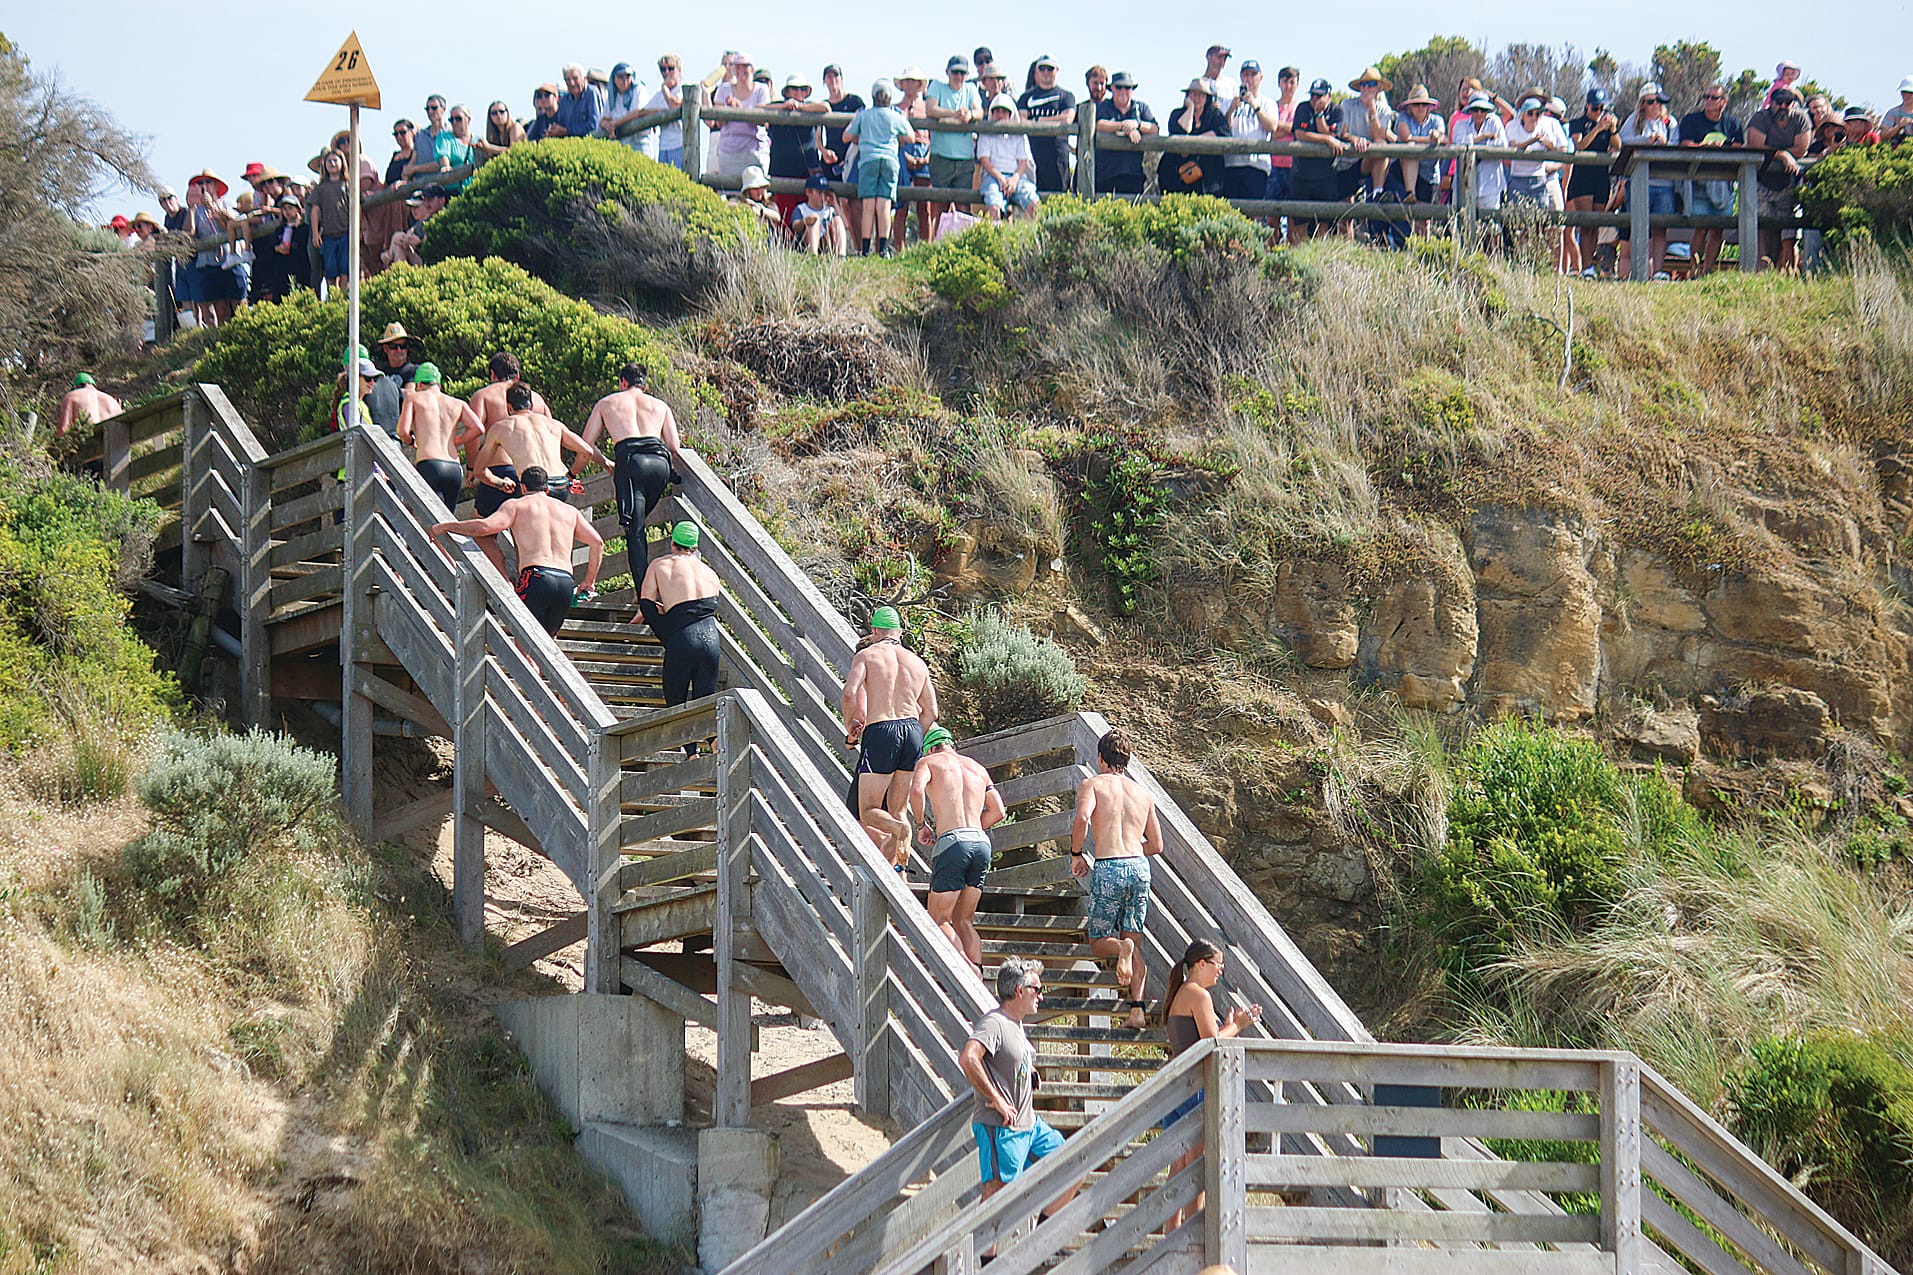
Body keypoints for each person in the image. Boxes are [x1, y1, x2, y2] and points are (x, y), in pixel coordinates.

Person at [959, 958, 1080, 1220]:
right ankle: (986, 1260)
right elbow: (968, 1058)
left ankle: (1040, 1238)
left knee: (1073, 1163)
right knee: (996, 1196)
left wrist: (1030, 1073)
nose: (1041, 996)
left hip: (1030, 1126)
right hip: (1002, 1126)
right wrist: (996, 1099)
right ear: (1019, 991)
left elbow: (1011, 1059)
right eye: (1037, 989)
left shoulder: (1016, 1024)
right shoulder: (995, 1023)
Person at [1161, 939, 1264, 1231]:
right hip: (1193, 1089)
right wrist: (1240, 1024)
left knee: (1180, 1164)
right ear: (1201, 964)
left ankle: (1172, 1229)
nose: (1220, 971)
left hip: (1180, 1088)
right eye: (1218, 965)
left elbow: (1202, 1039)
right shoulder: (1198, 995)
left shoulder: (1183, 992)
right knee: (1196, 1165)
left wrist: (1228, 1026)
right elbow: (1212, 1043)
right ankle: (1194, 1231)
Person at [431, 467, 602, 635]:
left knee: (524, 644)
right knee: (548, 645)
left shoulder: (517, 505)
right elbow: (597, 543)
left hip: (536, 577)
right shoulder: (570, 511)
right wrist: (589, 581)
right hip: (565, 581)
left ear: (523, 487)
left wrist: (447, 526)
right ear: (547, 488)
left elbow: (484, 528)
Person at [1071, 728, 1163, 1030]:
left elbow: (1083, 818)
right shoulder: (1143, 793)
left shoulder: (1093, 785)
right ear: (1127, 759)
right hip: (1138, 867)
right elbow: (1157, 845)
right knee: (1134, 937)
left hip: (1110, 866)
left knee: (1099, 942)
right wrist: (1133, 852)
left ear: (1100, 758)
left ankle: (1120, 949)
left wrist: (1076, 854)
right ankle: (1136, 1010)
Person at [468, 383, 607, 572]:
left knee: (522, 535)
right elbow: (586, 451)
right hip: (559, 484)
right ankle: (561, 573)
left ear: (509, 407)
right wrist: (571, 475)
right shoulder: (553, 424)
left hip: (532, 484)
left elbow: (479, 470)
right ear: (531, 406)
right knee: (555, 534)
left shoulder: (502, 427)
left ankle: (518, 580)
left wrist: (500, 483)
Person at [906, 725, 1006, 967]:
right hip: (980, 843)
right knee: (964, 921)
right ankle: (979, 979)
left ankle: (969, 972)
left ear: (929, 748)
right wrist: (974, 830)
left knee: (939, 920)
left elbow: (916, 792)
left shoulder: (929, 763)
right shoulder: (977, 768)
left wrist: (921, 825)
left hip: (953, 842)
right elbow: (999, 811)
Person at [580, 361, 684, 584]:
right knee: (639, 524)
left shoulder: (607, 403)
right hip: (660, 464)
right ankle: (651, 588)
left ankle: (644, 597)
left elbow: (586, 445)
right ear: (644, 385)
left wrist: (606, 462)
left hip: (631, 463)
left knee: (635, 531)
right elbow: (674, 447)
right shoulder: (660, 405)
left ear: (622, 382)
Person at [842, 606, 937, 835]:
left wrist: (849, 725)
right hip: (913, 729)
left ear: (875, 631)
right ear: (899, 631)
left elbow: (849, 693)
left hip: (882, 729)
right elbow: (931, 712)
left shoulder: (867, 655)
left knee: (868, 810)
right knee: (899, 810)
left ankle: (899, 830)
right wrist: (914, 736)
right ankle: (900, 866)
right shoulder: (917, 662)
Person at [639, 522, 723, 717]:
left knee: (676, 704)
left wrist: (666, 632)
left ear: (672, 542)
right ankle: (712, 744)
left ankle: (691, 748)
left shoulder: (661, 565)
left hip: (682, 638)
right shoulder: (710, 573)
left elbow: (646, 604)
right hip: (711, 639)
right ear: (695, 546)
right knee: (705, 705)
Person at [397, 362, 483, 512]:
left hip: (430, 464)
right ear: (439, 385)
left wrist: (411, 441)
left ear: (419, 385)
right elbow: (478, 428)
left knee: (427, 519)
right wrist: (457, 441)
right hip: (454, 468)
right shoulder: (458, 403)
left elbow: (402, 431)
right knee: (446, 523)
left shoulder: (413, 398)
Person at [1680, 86, 1744, 276]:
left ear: (1724, 101)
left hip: (1724, 183)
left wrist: (1722, 146)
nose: (1708, 100)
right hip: (1699, 181)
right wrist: (1704, 146)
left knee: (1717, 230)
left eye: (1713, 98)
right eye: (1706, 97)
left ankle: (1707, 270)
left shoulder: (1732, 123)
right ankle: (1694, 269)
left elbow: (1739, 146)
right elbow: (1685, 143)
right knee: (1700, 228)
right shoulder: (1692, 120)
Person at [1747, 86, 1811, 272]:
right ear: (1771, 103)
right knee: (1762, 226)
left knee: (1789, 230)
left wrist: (1774, 152)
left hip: (1789, 182)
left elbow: (1801, 148)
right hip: (1762, 180)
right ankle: (1760, 270)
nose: (1783, 106)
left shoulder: (1800, 119)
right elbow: (1756, 144)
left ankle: (1787, 273)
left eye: (1787, 102)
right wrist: (1782, 155)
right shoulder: (1761, 118)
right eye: (1779, 102)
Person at [1619, 82, 1679, 279]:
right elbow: (1623, 141)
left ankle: (1659, 271)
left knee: (1660, 229)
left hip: (1664, 184)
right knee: (1638, 228)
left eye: (1659, 101)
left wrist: (1664, 144)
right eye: (1652, 101)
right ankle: (1637, 271)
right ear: (1643, 103)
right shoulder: (1634, 122)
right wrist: (1647, 141)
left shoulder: (1671, 123)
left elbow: (1677, 147)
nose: (1656, 105)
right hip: (1638, 184)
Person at [848, 81, 915, 256]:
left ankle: (865, 249)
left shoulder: (864, 115)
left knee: (868, 205)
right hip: (889, 160)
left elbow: (847, 136)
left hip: (868, 160)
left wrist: (861, 136)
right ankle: (883, 249)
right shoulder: (895, 116)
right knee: (884, 205)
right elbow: (911, 137)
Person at [1566, 89, 1621, 277]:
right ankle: (1586, 267)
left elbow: (1618, 146)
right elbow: (1579, 146)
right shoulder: (1577, 124)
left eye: (1602, 108)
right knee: (1586, 223)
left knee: (1596, 222)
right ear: (1587, 106)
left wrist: (1612, 129)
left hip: (1601, 177)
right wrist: (1597, 128)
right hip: (1582, 177)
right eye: (1595, 108)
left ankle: (1591, 266)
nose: (1599, 111)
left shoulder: (1607, 125)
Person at [925, 56, 983, 230]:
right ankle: (937, 245)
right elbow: (931, 108)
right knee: (940, 208)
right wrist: (955, 114)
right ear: (947, 73)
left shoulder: (971, 89)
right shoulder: (937, 87)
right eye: (955, 72)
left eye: (962, 73)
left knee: (963, 208)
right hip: (941, 157)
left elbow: (979, 111)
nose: (958, 76)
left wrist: (970, 115)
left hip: (964, 158)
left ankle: (962, 246)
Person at [1289, 79, 1347, 239]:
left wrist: (1319, 114)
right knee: (1299, 223)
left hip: (1326, 176)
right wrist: (1326, 140)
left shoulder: (1337, 111)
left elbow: (1332, 134)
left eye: (1319, 96)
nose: (1314, 99)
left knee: (1324, 223)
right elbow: (1300, 134)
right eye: (1313, 95)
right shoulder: (1302, 107)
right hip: (1301, 175)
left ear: (1329, 96)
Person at [768, 74, 828, 224]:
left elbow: (826, 107)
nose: (798, 93)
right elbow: (758, 109)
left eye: (802, 89)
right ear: (787, 92)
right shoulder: (776, 108)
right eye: (794, 89)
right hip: (782, 172)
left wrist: (800, 107)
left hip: (806, 173)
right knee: (785, 217)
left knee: (808, 215)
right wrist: (785, 106)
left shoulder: (811, 108)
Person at [1221, 61, 1281, 202]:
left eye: (1253, 75)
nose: (1249, 79)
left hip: (1257, 164)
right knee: (1231, 210)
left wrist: (1254, 104)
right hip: (1231, 164)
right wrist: (1231, 109)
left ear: (1260, 77)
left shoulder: (1268, 102)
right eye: (1245, 75)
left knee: (1254, 211)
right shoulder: (1230, 101)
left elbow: (1271, 127)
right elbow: (1223, 129)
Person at [1018, 55, 1077, 194]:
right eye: (1042, 68)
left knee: (1059, 198)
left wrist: (1037, 121)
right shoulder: (1025, 97)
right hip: (1031, 156)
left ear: (1057, 70)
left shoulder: (1066, 96)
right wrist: (1054, 120)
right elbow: (1021, 120)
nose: (1046, 72)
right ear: (1036, 71)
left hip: (1058, 157)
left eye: (1050, 69)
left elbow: (1067, 118)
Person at [1159, 79, 1228, 196]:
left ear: (1207, 98)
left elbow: (1223, 135)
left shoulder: (1215, 115)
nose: (1197, 98)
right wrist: (1190, 108)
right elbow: (1181, 130)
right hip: (1178, 173)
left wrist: (1192, 144)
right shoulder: (1177, 114)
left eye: (1201, 95)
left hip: (1208, 176)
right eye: (1193, 94)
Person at [1094, 72, 1158, 195]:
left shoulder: (1141, 108)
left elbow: (1154, 129)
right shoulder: (1103, 106)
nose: (1123, 91)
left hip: (1133, 176)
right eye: (1119, 87)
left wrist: (1137, 124)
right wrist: (1125, 127)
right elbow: (1099, 124)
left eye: (1127, 87)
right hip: (1105, 177)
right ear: (1112, 89)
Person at [978, 94, 1040, 220]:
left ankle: (1031, 237)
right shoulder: (986, 133)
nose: (1000, 115)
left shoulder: (1019, 134)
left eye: (1004, 112)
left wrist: (1014, 179)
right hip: (993, 177)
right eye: (997, 111)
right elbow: (984, 161)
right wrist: (1000, 178)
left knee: (1034, 204)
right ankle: (997, 237)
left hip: (1017, 177)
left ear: (1010, 114)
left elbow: (1023, 162)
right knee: (994, 205)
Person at [1340, 68, 1396, 205]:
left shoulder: (1384, 110)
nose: (1366, 88)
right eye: (1363, 85)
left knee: (1380, 145)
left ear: (1378, 88)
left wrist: (1372, 109)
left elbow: (1379, 136)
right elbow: (1343, 133)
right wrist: (1356, 140)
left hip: (1372, 159)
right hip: (1347, 162)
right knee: (1345, 213)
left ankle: (1378, 192)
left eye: (1371, 84)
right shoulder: (1347, 105)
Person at [711, 52, 772, 176]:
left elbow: (763, 121)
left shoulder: (761, 90)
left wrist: (740, 108)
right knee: (731, 193)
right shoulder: (723, 89)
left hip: (754, 150)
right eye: (737, 66)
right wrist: (728, 110)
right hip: (729, 151)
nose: (741, 70)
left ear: (752, 69)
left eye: (745, 66)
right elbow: (719, 123)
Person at [1505, 97, 1569, 209]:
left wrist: (1546, 145)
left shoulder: (1547, 126)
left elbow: (1559, 150)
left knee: (1541, 217)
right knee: (1516, 219)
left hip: (1539, 178)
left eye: (1538, 113)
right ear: (1523, 114)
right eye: (1530, 113)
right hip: (1517, 177)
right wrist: (1532, 141)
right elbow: (1511, 147)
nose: (1534, 117)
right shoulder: (1512, 126)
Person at [892, 69, 931, 248]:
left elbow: (933, 135)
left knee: (925, 205)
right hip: (902, 149)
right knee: (902, 203)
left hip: (924, 149)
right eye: (906, 81)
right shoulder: (895, 109)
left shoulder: (927, 108)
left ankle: (926, 247)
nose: (909, 84)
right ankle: (900, 248)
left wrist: (927, 157)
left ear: (919, 84)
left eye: (913, 81)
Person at [308, 151, 352, 292]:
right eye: (329, 161)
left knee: (345, 271)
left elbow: (356, 208)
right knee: (330, 273)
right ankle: (333, 300)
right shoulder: (320, 189)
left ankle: (345, 298)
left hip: (346, 233)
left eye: (335, 160)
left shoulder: (348, 185)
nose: (332, 163)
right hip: (328, 235)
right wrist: (315, 233)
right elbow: (315, 211)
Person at [470, 352, 550, 430]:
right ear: (518, 375)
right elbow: (552, 429)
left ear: (493, 374)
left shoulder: (482, 396)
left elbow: (474, 430)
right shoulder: (538, 399)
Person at [364, 322, 418, 437]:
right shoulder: (377, 371)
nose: (399, 350)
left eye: (403, 346)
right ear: (385, 348)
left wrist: (392, 391)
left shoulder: (413, 370)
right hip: (378, 428)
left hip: (404, 430)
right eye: (394, 346)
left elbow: (410, 394)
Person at [382, 183, 447, 266]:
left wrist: (420, 242)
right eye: (425, 200)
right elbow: (410, 233)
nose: (427, 204)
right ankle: (401, 275)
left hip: (438, 263)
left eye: (430, 199)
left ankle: (391, 259)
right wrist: (407, 241)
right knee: (398, 243)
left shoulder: (447, 219)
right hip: (422, 261)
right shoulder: (424, 222)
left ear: (442, 200)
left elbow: (442, 247)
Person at [600, 62, 656, 156]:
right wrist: (607, 125)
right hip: (621, 144)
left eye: (628, 76)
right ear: (614, 79)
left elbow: (637, 113)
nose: (625, 80)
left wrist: (615, 123)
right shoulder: (613, 97)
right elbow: (604, 118)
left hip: (639, 141)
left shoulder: (639, 89)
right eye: (621, 77)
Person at [791, 174, 850, 254]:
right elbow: (795, 226)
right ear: (808, 192)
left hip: (825, 243)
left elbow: (845, 225)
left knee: (837, 219)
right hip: (806, 242)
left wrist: (835, 204)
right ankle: (813, 255)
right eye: (819, 192)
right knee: (814, 220)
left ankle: (841, 255)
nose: (823, 196)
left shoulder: (829, 210)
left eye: (825, 193)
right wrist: (806, 221)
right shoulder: (801, 209)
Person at [647, 57, 687, 167]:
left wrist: (665, 88)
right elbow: (642, 112)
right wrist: (657, 113)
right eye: (663, 69)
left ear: (679, 69)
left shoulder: (684, 90)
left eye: (670, 68)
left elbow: (674, 105)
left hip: (680, 145)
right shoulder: (659, 95)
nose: (667, 73)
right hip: (663, 147)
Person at [56, 373, 121, 439]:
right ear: (94, 386)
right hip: (113, 443)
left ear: (77, 386)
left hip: (87, 442)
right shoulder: (112, 401)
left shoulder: (72, 396)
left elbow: (64, 428)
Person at [549, 63, 603, 139]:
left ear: (584, 78)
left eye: (575, 78)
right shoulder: (564, 101)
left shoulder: (592, 93)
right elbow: (561, 125)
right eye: (568, 79)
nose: (572, 83)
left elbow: (594, 125)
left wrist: (567, 131)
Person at [405, 96, 450, 179]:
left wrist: (415, 169)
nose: (430, 111)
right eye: (427, 108)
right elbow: (413, 161)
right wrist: (406, 173)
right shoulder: (420, 136)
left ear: (443, 109)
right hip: (420, 185)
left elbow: (442, 164)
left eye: (434, 108)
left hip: (444, 185)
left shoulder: (450, 135)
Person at [731, 166, 784, 236]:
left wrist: (761, 210)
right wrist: (746, 207)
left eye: (762, 187)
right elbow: (729, 204)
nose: (759, 191)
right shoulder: (740, 201)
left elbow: (777, 217)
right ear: (748, 190)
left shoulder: (769, 204)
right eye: (755, 188)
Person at [1880, 76, 1913, 142]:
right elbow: (1883, 136)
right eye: (1904, 92)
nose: (1906, 95)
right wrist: (1899, 126)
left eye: (1910, 93)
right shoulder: (1892, 113)